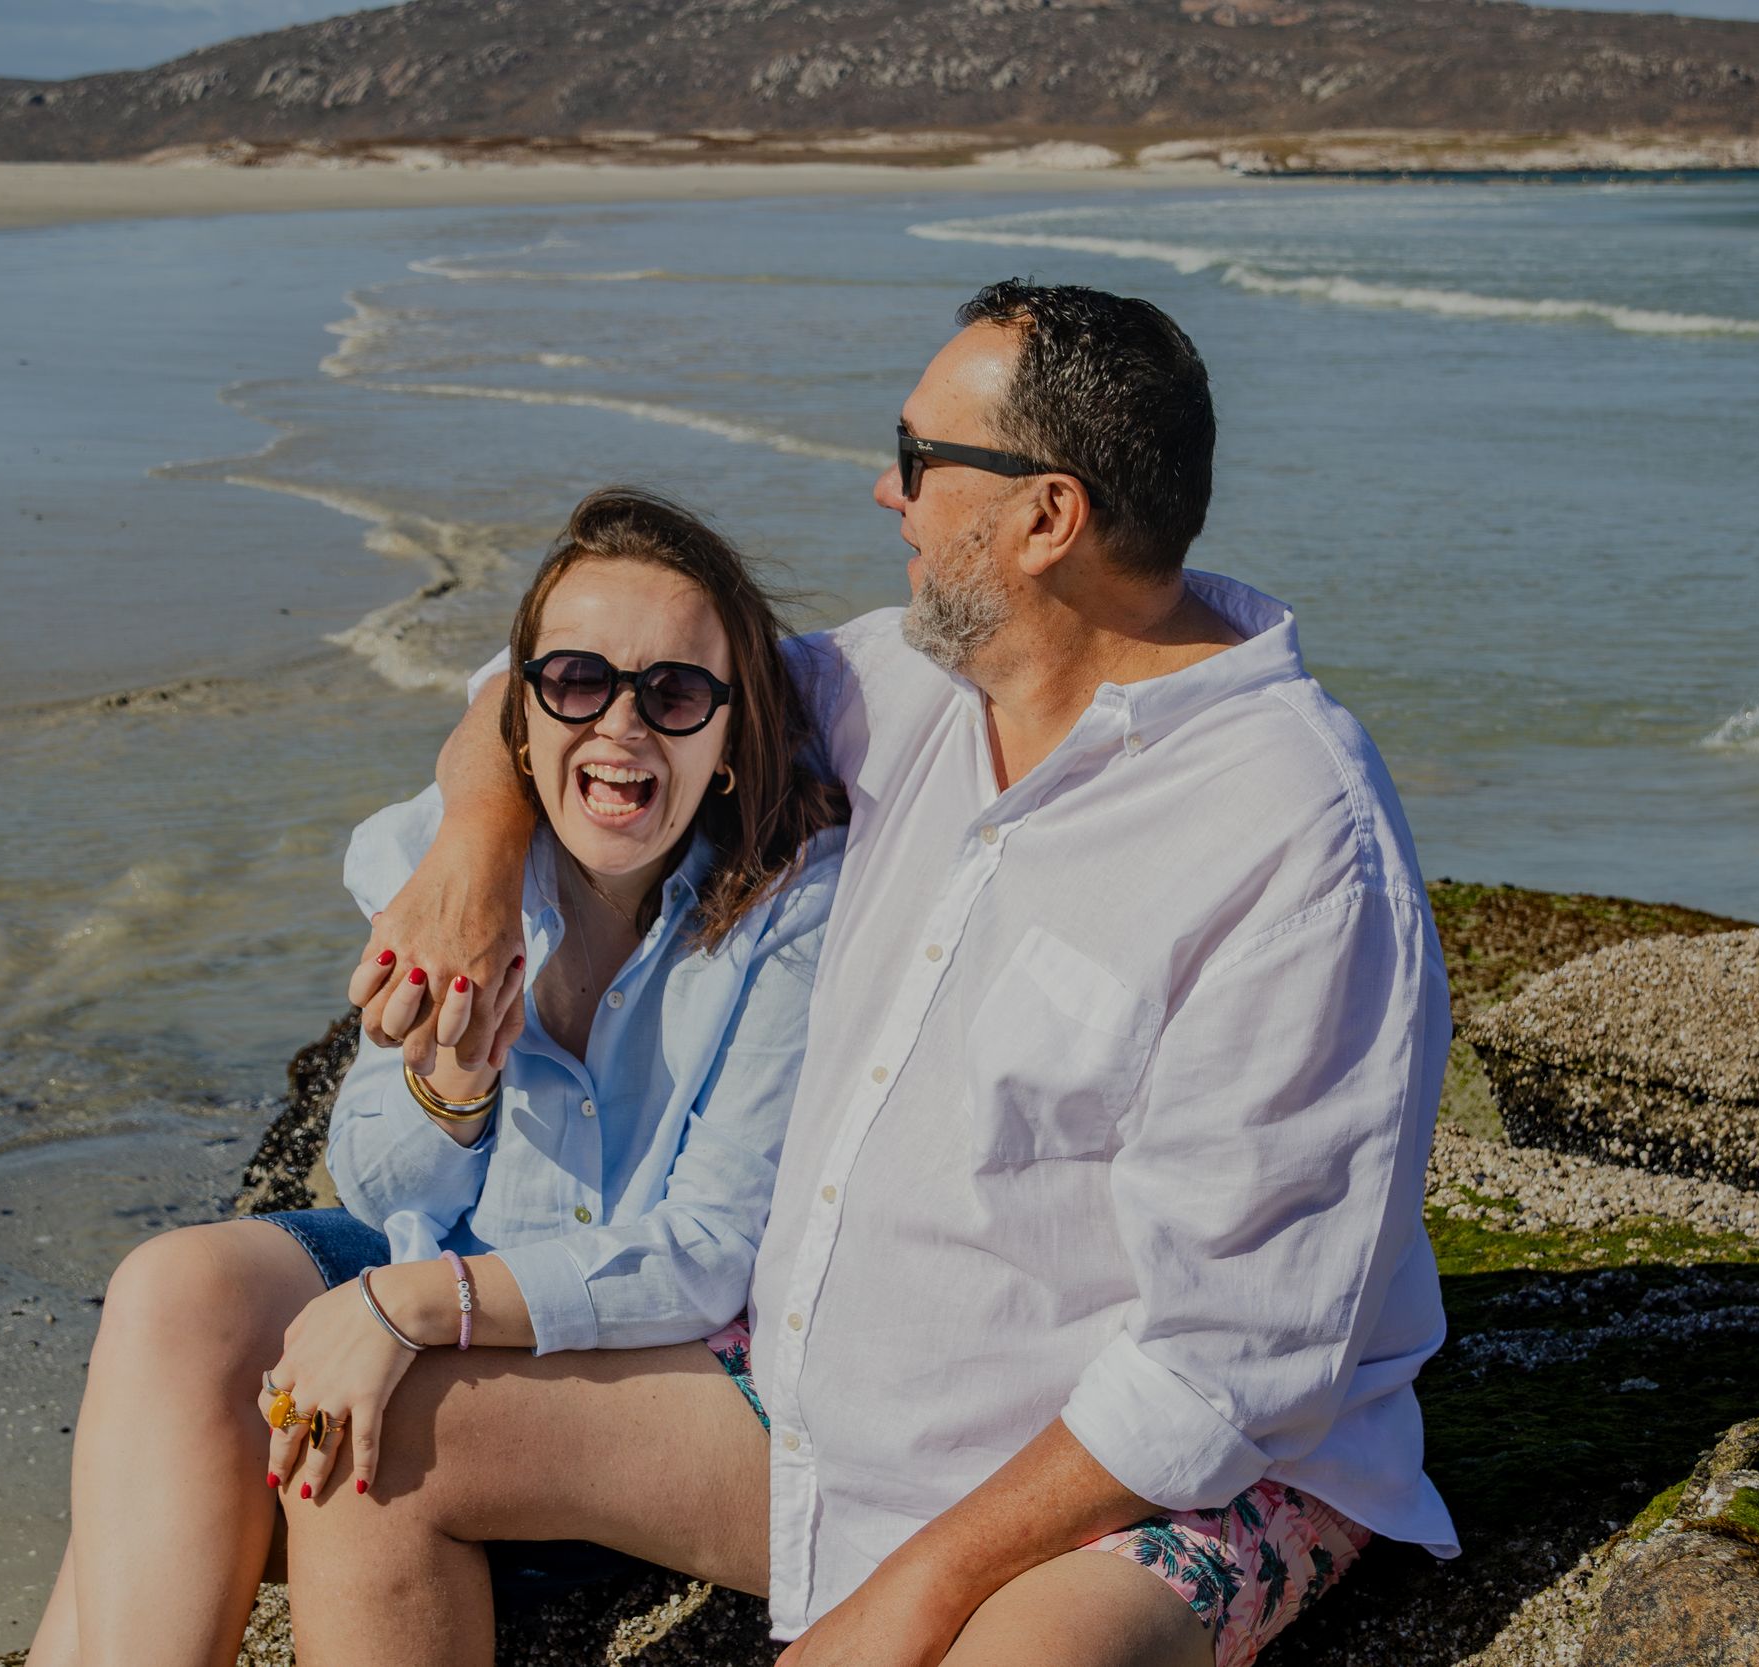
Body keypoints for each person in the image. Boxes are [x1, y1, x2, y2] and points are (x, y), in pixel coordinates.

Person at [340, 280, 1460, 1667]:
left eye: (920, 458)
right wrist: (474, 848)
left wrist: (911, 1594)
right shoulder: (911, 688)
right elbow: (559, 683)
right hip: (818, 1411)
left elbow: (1225, 1370)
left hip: (1135, 1484)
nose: (888, 490)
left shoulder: (1294, 843)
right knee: (361, 1438)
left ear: (1047, 516)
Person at [23, 488, 845, 1667]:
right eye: (578, 682)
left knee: (324, 1430)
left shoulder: (790, 908)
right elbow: (378, 1183)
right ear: (521, 711)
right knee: (174, 1287)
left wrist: (409, 1307)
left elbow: (708, 1246)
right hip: (454, 1259)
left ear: (727, 731)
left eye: (671, 693)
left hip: (638, 1357)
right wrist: (452, 1084)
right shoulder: (448, 872)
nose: (620, 723)